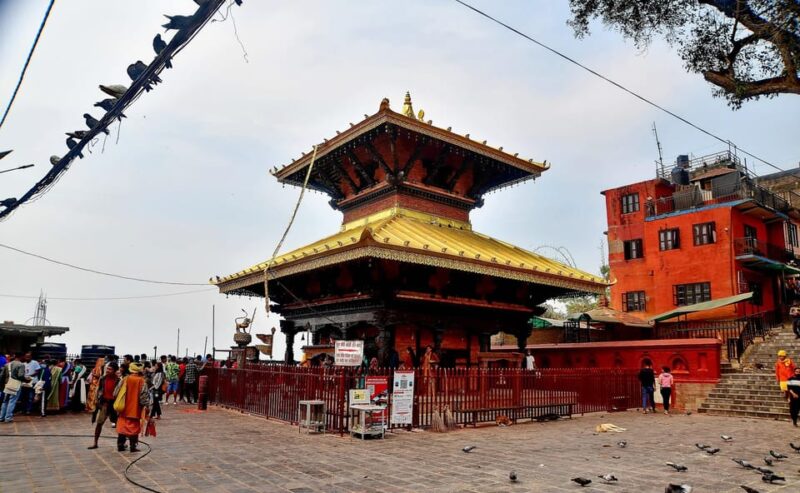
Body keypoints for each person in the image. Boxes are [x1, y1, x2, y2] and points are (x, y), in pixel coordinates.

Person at [115, 362, 149, 452]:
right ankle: (133, 446)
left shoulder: (125, 379)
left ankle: (120, 445)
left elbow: (116, 392)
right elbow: (143, 397)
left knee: (122, 427)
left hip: (123, 408)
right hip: (135, 409)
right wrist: (146, 407)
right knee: (134, 428)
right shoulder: (142, 381)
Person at [88, 362, 119, 449]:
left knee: (119, 425)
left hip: (114, 405)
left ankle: (121, 443)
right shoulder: (103, 379)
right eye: (107, 369)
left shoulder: (118, 381)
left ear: (115, 371)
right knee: (99, 423)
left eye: (110, 369)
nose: (108, 370)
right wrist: (98, 402)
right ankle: (95, 443)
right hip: (105, 404)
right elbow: (99, 391)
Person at [0, 353, 28, 422]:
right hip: (15, 385)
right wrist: (27, 380)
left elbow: (1, 376)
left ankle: (1, 417)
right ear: (21, 357)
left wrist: (3, 385)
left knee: (5, 401)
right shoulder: (21, 365)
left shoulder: (7, 364)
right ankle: (8, 418)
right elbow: (20, 375)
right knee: (12, 401)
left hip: (7, 385)